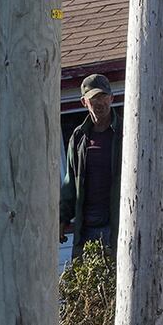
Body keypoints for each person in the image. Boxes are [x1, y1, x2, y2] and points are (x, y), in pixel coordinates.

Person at [60, 73, 121, 261]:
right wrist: (62, 219)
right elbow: (70, 182)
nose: (99, 102)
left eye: (103, 96)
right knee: (85, 277)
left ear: (111, 98)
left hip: (119, 225)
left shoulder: (125, 131)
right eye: (94, 98)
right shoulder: (79, 137)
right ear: (84, 102)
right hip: (86, 230)